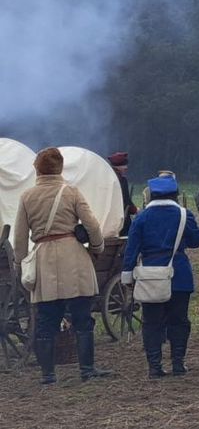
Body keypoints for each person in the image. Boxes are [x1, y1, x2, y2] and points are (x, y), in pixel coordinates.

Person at [14, 147, 113, 384]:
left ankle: (48, 375)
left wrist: (21, 263)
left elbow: (19, 238)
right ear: (60, 168)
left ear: (37, 169)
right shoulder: (71, 192)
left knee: (46, 321)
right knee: (82, 318)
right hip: (74, 259)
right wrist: (97, 249)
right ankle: (87, 370)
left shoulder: (27, 197)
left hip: (44, 259)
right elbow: (92, 226)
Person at [122, 174, 199, 378]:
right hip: (179, 275)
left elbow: (131, 250)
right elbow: (195, 241)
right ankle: (178, 363)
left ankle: (155, 366)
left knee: (151, 322)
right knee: (179, 321)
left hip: (150, 274)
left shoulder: (141, 218)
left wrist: (128, 276)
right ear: (175, 194)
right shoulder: (184, 214)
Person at [108, 151, 138, 236]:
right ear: (118, 167)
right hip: (121, 217)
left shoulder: (108, 177)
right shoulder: (122, 180)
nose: (126, 167)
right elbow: (125, 200)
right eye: (124, 165)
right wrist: (135, 210)